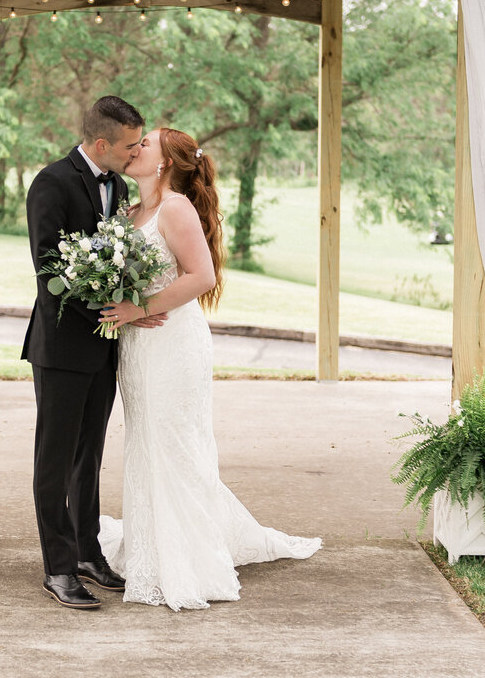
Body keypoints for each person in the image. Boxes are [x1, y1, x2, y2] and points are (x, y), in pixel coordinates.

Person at [99, 127, 321, 611]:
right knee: (147, 440)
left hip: (173, 343)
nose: (135, 150)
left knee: (175, 443)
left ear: (164, 163)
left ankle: (187, 557)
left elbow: (203, 276)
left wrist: (137, 308)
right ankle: (150, 544)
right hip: (138, 348)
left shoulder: (175, 207)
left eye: (146, 145)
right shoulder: (129, 212)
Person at [22, 95, 166, 610]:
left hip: (106, 350)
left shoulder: (119, 185)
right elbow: (49, 274)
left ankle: (87, 552)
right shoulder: (51, 183)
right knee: (54, 462)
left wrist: (129, 306)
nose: (134, 153)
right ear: (101, 143)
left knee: (90, 457)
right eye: (129, 146)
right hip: (62, 347)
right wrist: (115, 310)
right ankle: (58, 568)